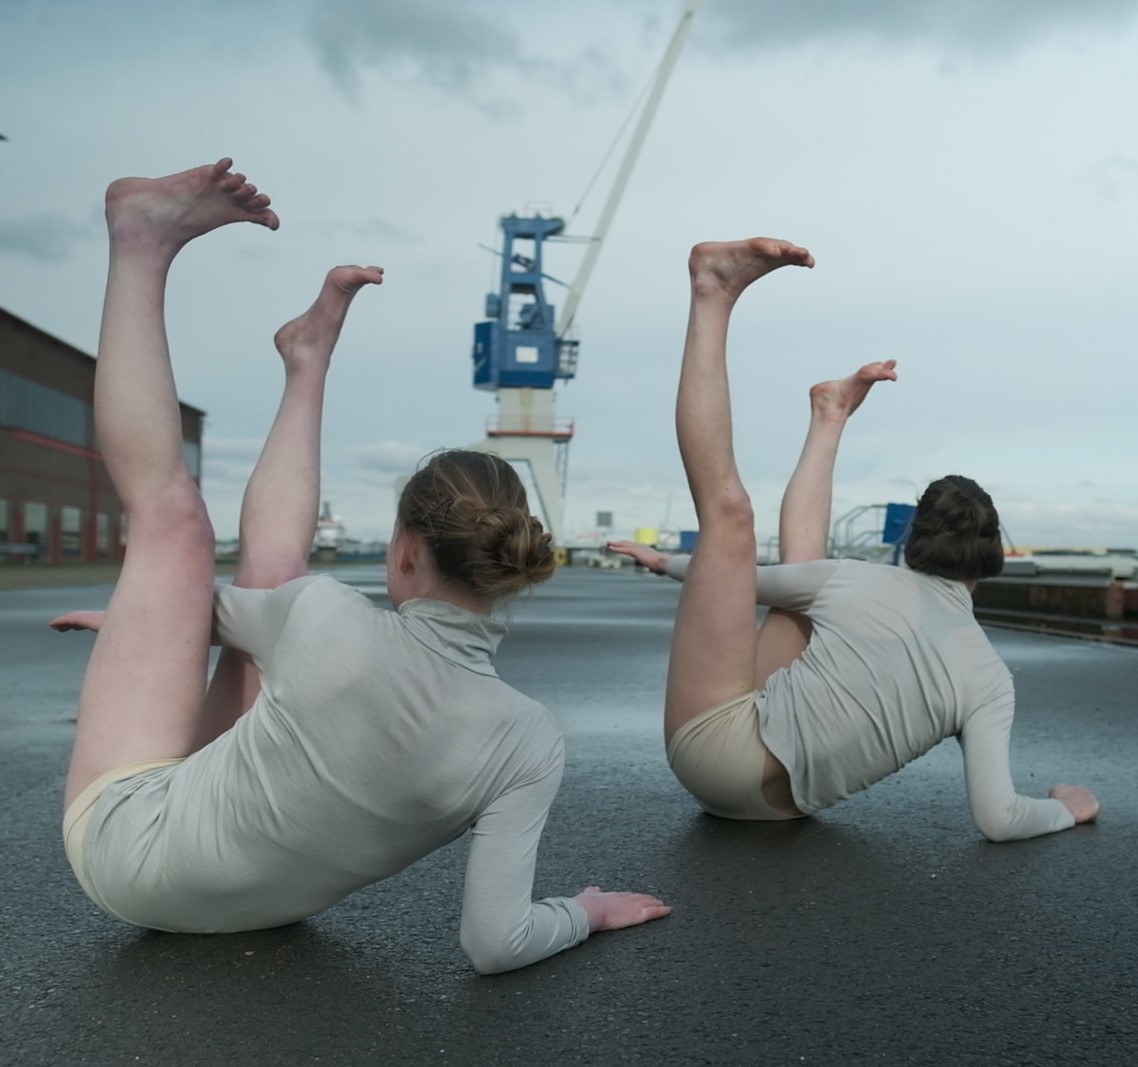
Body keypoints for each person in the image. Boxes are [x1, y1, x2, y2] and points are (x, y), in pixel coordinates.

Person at [52, 158, 669, 974]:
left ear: (405, 551)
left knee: (176, 527)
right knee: (270, 586)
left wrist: (140, 622)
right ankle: (307, 356)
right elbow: (495, 943)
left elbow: (200, 602)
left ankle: (138, 242)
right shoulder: (528, 740)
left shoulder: (328, 619)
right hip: (257, 914)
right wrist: (584, 910)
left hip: (128, 855)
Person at [608, 236, 1100, 841]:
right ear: (992, 557)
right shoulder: (992, 680)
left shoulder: (859, 580)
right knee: (801, 583)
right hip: (782, 808)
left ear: (915, 540)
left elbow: (736, 581)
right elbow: (999, 820)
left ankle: (712, 292)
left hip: (713, 755)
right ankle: (829, 414)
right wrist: (1067, 808)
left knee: (730, 520)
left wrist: (665, 563)